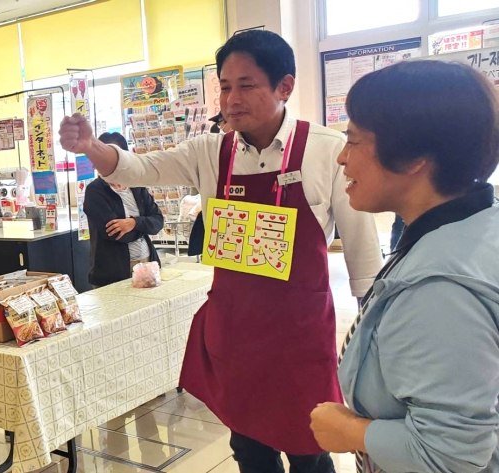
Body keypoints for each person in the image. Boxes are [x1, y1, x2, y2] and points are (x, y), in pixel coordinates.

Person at [60, 29, 382, 472]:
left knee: (308, 450)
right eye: (225, 86)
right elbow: (143, 168)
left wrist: (373, 343)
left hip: (299, 334)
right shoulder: (211, 151)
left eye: (246, 85)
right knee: (249, 448)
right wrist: (92, 147)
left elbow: (363, 253)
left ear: (284, 86)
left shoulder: (326, 150)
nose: (231, 99)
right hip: (237, 330)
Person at [309, 61, 499, 472]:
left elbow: (449, 454)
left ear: (415, 157)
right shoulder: (476, 225)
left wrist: (352, 432)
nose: (342, 158)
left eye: (354, 141)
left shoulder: (438, 291)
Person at [83, 132, 164, 287]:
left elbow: (158, 221)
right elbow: (116, 234)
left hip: (147, 263)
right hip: (112, 272)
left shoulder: (136, 184)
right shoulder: (95, 191)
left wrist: (134, 223)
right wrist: (145, 226)